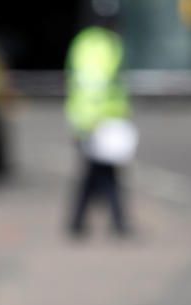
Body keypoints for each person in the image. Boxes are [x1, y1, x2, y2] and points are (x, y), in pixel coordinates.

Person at [65, 0, 131, 236]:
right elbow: (94, 87)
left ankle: (79, 221)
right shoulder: (103, 45)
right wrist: (92, 122)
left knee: (97, 173)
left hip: (92, 120)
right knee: (104, 173)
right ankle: (117, 222)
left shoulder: (85, 42)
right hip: (99, 122)